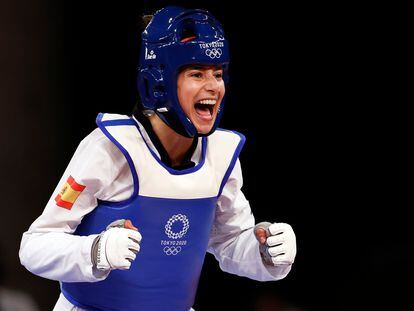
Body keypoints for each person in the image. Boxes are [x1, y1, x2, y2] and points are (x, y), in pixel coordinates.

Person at [19, 6, 297, 311]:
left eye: (218, 74)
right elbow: (35, 246)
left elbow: (228, 242)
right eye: (196, 73)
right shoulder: (111, 149)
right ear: (160, 80)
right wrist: (94, 251)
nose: (213, 86)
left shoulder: (221, 154)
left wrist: (264, 250)